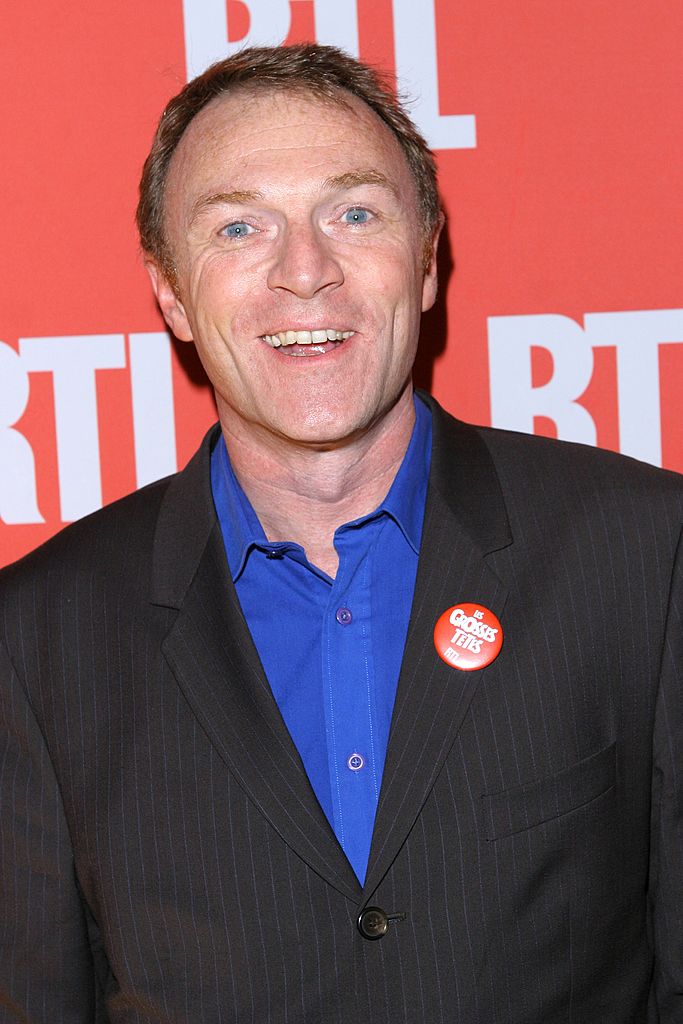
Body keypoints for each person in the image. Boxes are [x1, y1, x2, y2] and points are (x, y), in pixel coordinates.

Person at [0, 42, 681, 1024]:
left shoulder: (639, 555)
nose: (305, 272)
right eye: (239, 227)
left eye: (353, 212)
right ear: (170, 294)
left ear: (427, 256)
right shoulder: (38, 637)